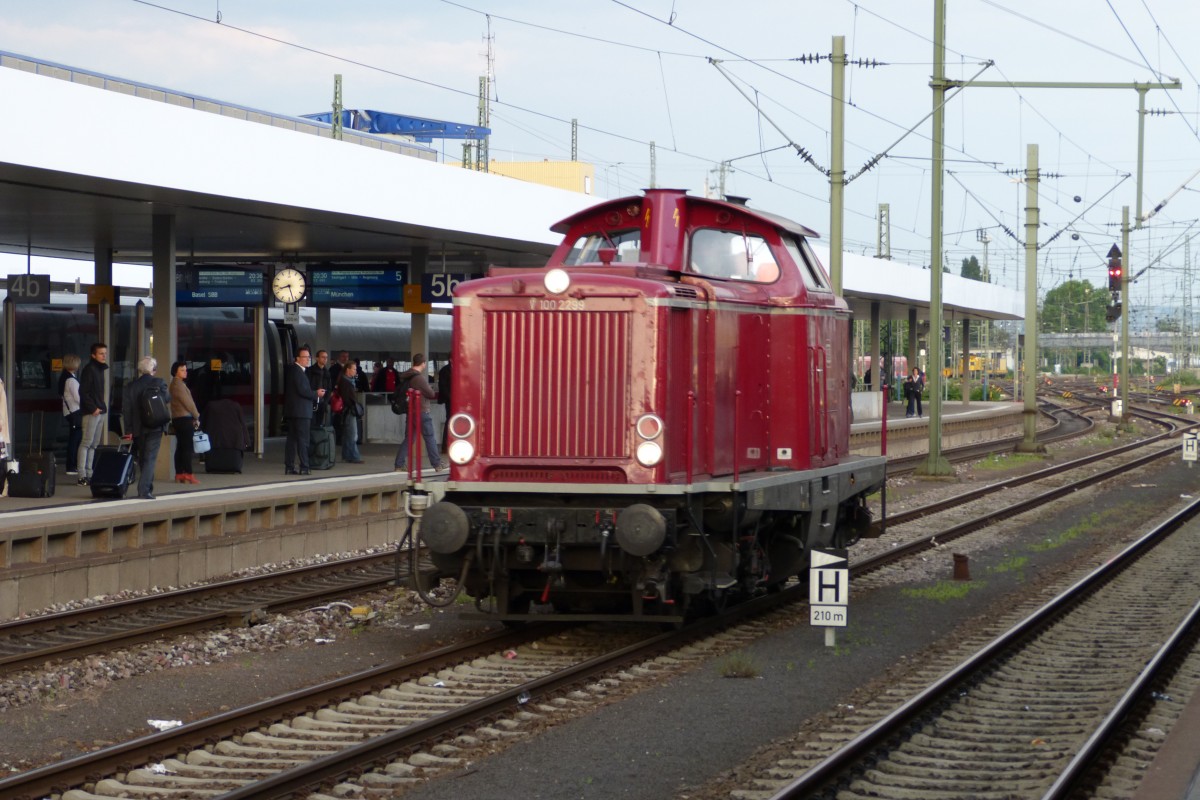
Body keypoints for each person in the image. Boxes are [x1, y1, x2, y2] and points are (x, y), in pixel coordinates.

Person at [122, 356, 169, 499]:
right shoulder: (159, 383)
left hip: (138, 428)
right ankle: (145, 489)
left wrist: (129, 430)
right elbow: (167, 399)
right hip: (155, 426)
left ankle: (146, 486)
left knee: (143, 458)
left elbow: (127, 410)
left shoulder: (131, 386)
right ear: (153, 369)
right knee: (150, 458)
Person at [393, 353, 443, 474]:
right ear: (423, 363)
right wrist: (429, 388)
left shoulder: (408, 376)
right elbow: (431, 394)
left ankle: (399, 464)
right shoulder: (419, 378)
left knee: (409, 438)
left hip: (411, 411)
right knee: (429, 437)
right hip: (421, 411)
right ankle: (437, 464)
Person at [284, 345, 323, 475]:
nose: (307, 359)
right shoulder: (298, 372)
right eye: (305, 357)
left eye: (308, 357)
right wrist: (316, 394)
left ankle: (289, 466)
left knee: (292, 440)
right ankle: (305, 467)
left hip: (293, 412)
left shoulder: (294, 371)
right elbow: (303, 391)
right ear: (297, 358)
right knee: (303, 440)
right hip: (301, 412)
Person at [77, 342, 109, 486]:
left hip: (99, 410)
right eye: (101, 353)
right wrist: (93, 408)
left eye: (105, 353)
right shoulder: (90, 369)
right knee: (87, 443)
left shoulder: (99, 369)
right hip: (93, 411)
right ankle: (82, 475)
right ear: (93, 355)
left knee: (93, 444)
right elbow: (83, 391)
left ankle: (89, 473)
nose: (104, 356)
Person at [168, 361, 202, 484]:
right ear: (175, 371)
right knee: (187, 447)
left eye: (185, 370)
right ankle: (188, 473)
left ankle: (179, 473)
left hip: (178, 419)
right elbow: (188, 403)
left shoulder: (176, 384)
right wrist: (196, 415)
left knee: (181, 447)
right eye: (182, 370)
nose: (185, 372)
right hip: (184, 419)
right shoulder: (178, 385)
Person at [59, 354, 83, 476]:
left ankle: (72, 465)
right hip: (75, 412)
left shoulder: (64, 377)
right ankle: (71, 465)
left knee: (74, 439)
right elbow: (78, 398)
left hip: (69, 412)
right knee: (75, 440)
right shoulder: (71, 380)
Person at [338, 361, 364, 464]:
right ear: (348, 370)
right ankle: (354, 456)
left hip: (346, 410)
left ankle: (346, 456)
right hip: (349, 410)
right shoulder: (346, 382)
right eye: (354, 369)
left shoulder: (345, 380)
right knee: (353, 435)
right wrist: (354, 405)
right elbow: (348, 398)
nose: (355, 371)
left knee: (347, 434)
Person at [307, 349, 333, 427]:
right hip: (312, 401)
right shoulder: (310, 370)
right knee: (311, 424)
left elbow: (329, 388)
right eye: (323, 357)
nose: (325, 359)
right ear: (317, 358)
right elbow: (307, 386)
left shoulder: (327, 372)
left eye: (326, 357)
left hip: (322, 403)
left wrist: (326, 401)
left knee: (319, 425)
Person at [437, 360, 452, 454]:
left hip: (457, 399)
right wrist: (451, 398)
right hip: (449, 400)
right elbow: (443, 386)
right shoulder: (445, 370)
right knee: (449, 421)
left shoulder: (458, 368)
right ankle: (445, 446)